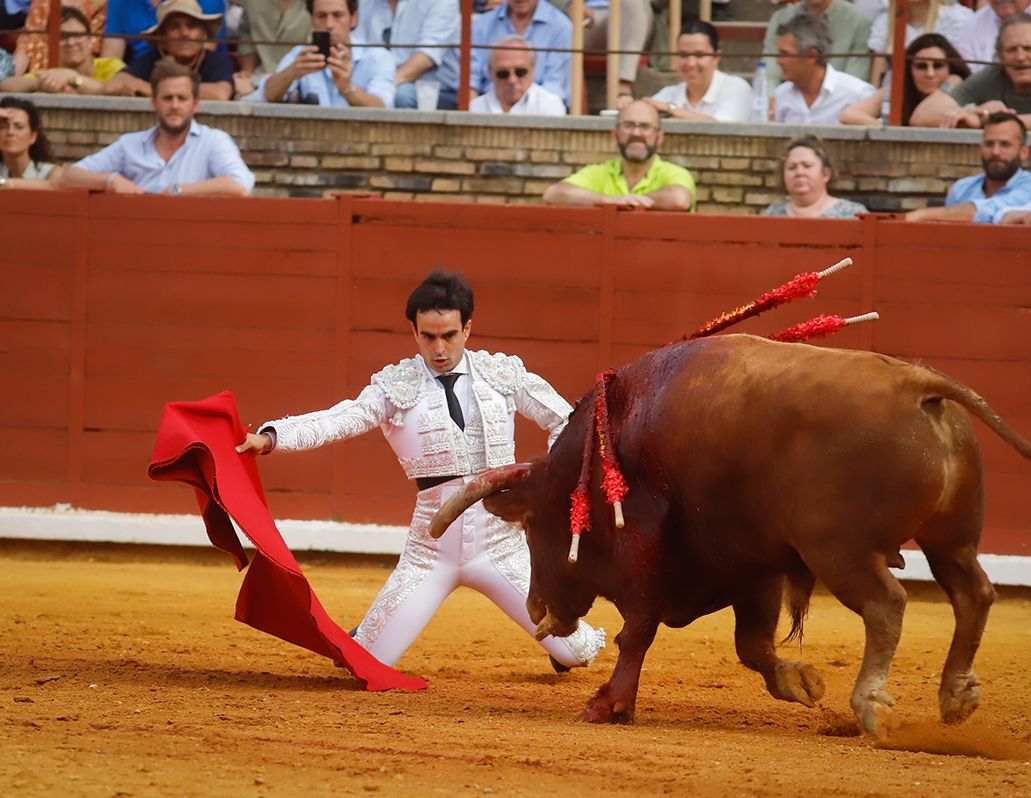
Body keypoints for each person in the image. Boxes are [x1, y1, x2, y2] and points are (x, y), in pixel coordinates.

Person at [235, 270, 607, 673]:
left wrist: (551, 481)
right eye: (428, 336)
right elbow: (341, 418)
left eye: (448, 335)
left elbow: (567, 422)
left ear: (467, 328)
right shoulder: (397, 386)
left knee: (578, 653)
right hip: (431, 552)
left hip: (501, 545)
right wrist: (273, 437)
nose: (439, 348)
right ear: (414, 332)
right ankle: (369, 632)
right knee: (366, 663)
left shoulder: (501, 375)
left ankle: (558, 649)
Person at [58, 60, 255, 196]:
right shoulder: (130, 144)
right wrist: (111, 180)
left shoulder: (213, 141)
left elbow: (240, 185)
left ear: (195, 104)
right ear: (154, 102)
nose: (175, 105)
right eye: (167, 98)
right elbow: (68, 176)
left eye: (182, 98)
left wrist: (179, 190)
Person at [910, 14, 1031, 132]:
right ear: (1000, 56)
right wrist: (970, 108)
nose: (1020, 57)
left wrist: (985, 121)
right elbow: (920, 118)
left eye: (1028, 48)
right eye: (1011, 50)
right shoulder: (993, 75)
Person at [542, 100, 696, 211]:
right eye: (628, 125)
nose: (636, 133)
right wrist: (607, 200)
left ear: (660, 137)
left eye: (645, 126)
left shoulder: (674, 173)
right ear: (615, 135)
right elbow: (554, 194)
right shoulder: (600, 172)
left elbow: (679, 200)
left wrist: (629, 202)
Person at [906, 111, 1031, 222]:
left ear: (1024, 152)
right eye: (989, 144)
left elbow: (993, 210)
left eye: (1005, 145)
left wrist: (922, 214)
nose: (995, 152)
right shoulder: (961, 189)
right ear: (980, 148)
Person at [259, 0, 392, 107]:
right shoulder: (301, 55)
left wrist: (347, 89)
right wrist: (291, 72)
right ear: (312, 20)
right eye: (321, 16)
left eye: (337, 15)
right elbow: (266, 96)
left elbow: (383, 106)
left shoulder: (378, 57)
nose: (329, 24)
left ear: (353, 19)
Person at [104, 0, 234, 101]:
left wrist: (150, 89)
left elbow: (220, 93)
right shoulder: (150, 60)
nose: (184, 33)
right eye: (174, 27)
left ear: (204, 36)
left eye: (192, 26)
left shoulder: (216, 62)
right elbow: (112, 85)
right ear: (162, 40)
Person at [840, 32, 969, 126]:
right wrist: (887, 132)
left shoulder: (965, 90)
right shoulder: (898, 90)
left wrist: (948, 87)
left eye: (938, 65)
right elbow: (848, 115)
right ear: (909, 70)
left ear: (951, 68)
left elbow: (921, 119)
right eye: (921, 66)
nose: (930, 73)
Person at [354, 0, 459, 109]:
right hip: (379, 83)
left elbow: (426, 58)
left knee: (401, 95)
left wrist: (382, 86)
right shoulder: (365, 3)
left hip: (436, 90)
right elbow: (357, 47)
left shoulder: (441, 2)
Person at [772, 12, 874, 125]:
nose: (778, 61)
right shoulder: (781, 94)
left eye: (785, 54)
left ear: (812, 56)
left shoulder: (857, 94)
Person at [641, 20, 753, 122]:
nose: (690, 63)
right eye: (683, 55)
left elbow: (722, 129)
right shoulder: (669, 93)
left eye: (699, 55)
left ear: (716, 57)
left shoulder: (736, 87)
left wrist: (670, 109)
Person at [466, 0, 571, 106]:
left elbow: (555, 88)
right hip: (487, 109)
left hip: (540, 111)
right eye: (503, 73)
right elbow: (469, 84)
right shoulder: (482, 25)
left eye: (521, 72)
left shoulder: (562, 27)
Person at [0, 7, 125, 95]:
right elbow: (5, 85)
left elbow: (118, 90)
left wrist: (73, 78)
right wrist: (37, 83)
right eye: (63, 37)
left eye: (77, 35)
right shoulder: (50, 74)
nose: (71, 42)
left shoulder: (110, 66)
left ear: (90, 40)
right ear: (49, 44)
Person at [763, 0, 873, 91]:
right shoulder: (781, 18)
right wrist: (772, 99)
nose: (779, 60)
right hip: (787, 103)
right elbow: (770, 72)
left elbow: (855, 81)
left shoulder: (860, 21)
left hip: (838, 106)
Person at [865, 0, 972, 85]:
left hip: (944, 97)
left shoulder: (956, 20)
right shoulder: (885, 23)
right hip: (899, 99)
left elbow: (963, 74)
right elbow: (876, 82)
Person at [762, 135, 867, 218]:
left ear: (826, 174)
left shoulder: (853, 215)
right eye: (792, 167)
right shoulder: (772, 213)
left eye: (807, 166)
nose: (799, 172)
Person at [232, 0, 313, 98]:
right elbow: (246, 35)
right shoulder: (252, 3)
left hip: (303, 80)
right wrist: (248, 73)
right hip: (258, 79)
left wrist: (258, 81)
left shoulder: (319, 5)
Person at [101, 0, 227, 61]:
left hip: (197, 75)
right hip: (141, 72)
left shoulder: (210, 1)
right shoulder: (119, 2)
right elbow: (110, 59)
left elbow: (196, 55)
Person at [468, 35, 565, 115]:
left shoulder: (549, 105)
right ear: (490, 72)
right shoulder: (476, 107)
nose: (512, 80)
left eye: (520, 72)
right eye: (503, 73)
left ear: (533, 69)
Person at [12, 0, 106, 75]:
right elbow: (27, 43)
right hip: (43, 78)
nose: (71, 41)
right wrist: (11, 78)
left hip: (84, 79)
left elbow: (92, 46)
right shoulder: (42, 2)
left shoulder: (100, 4)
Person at [0, 97, 61, 190]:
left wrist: (6, 183)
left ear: (33, 137)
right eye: (3, 127)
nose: (10, 132)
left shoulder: (50, 172)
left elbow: (54, 185)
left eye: (19, 127)